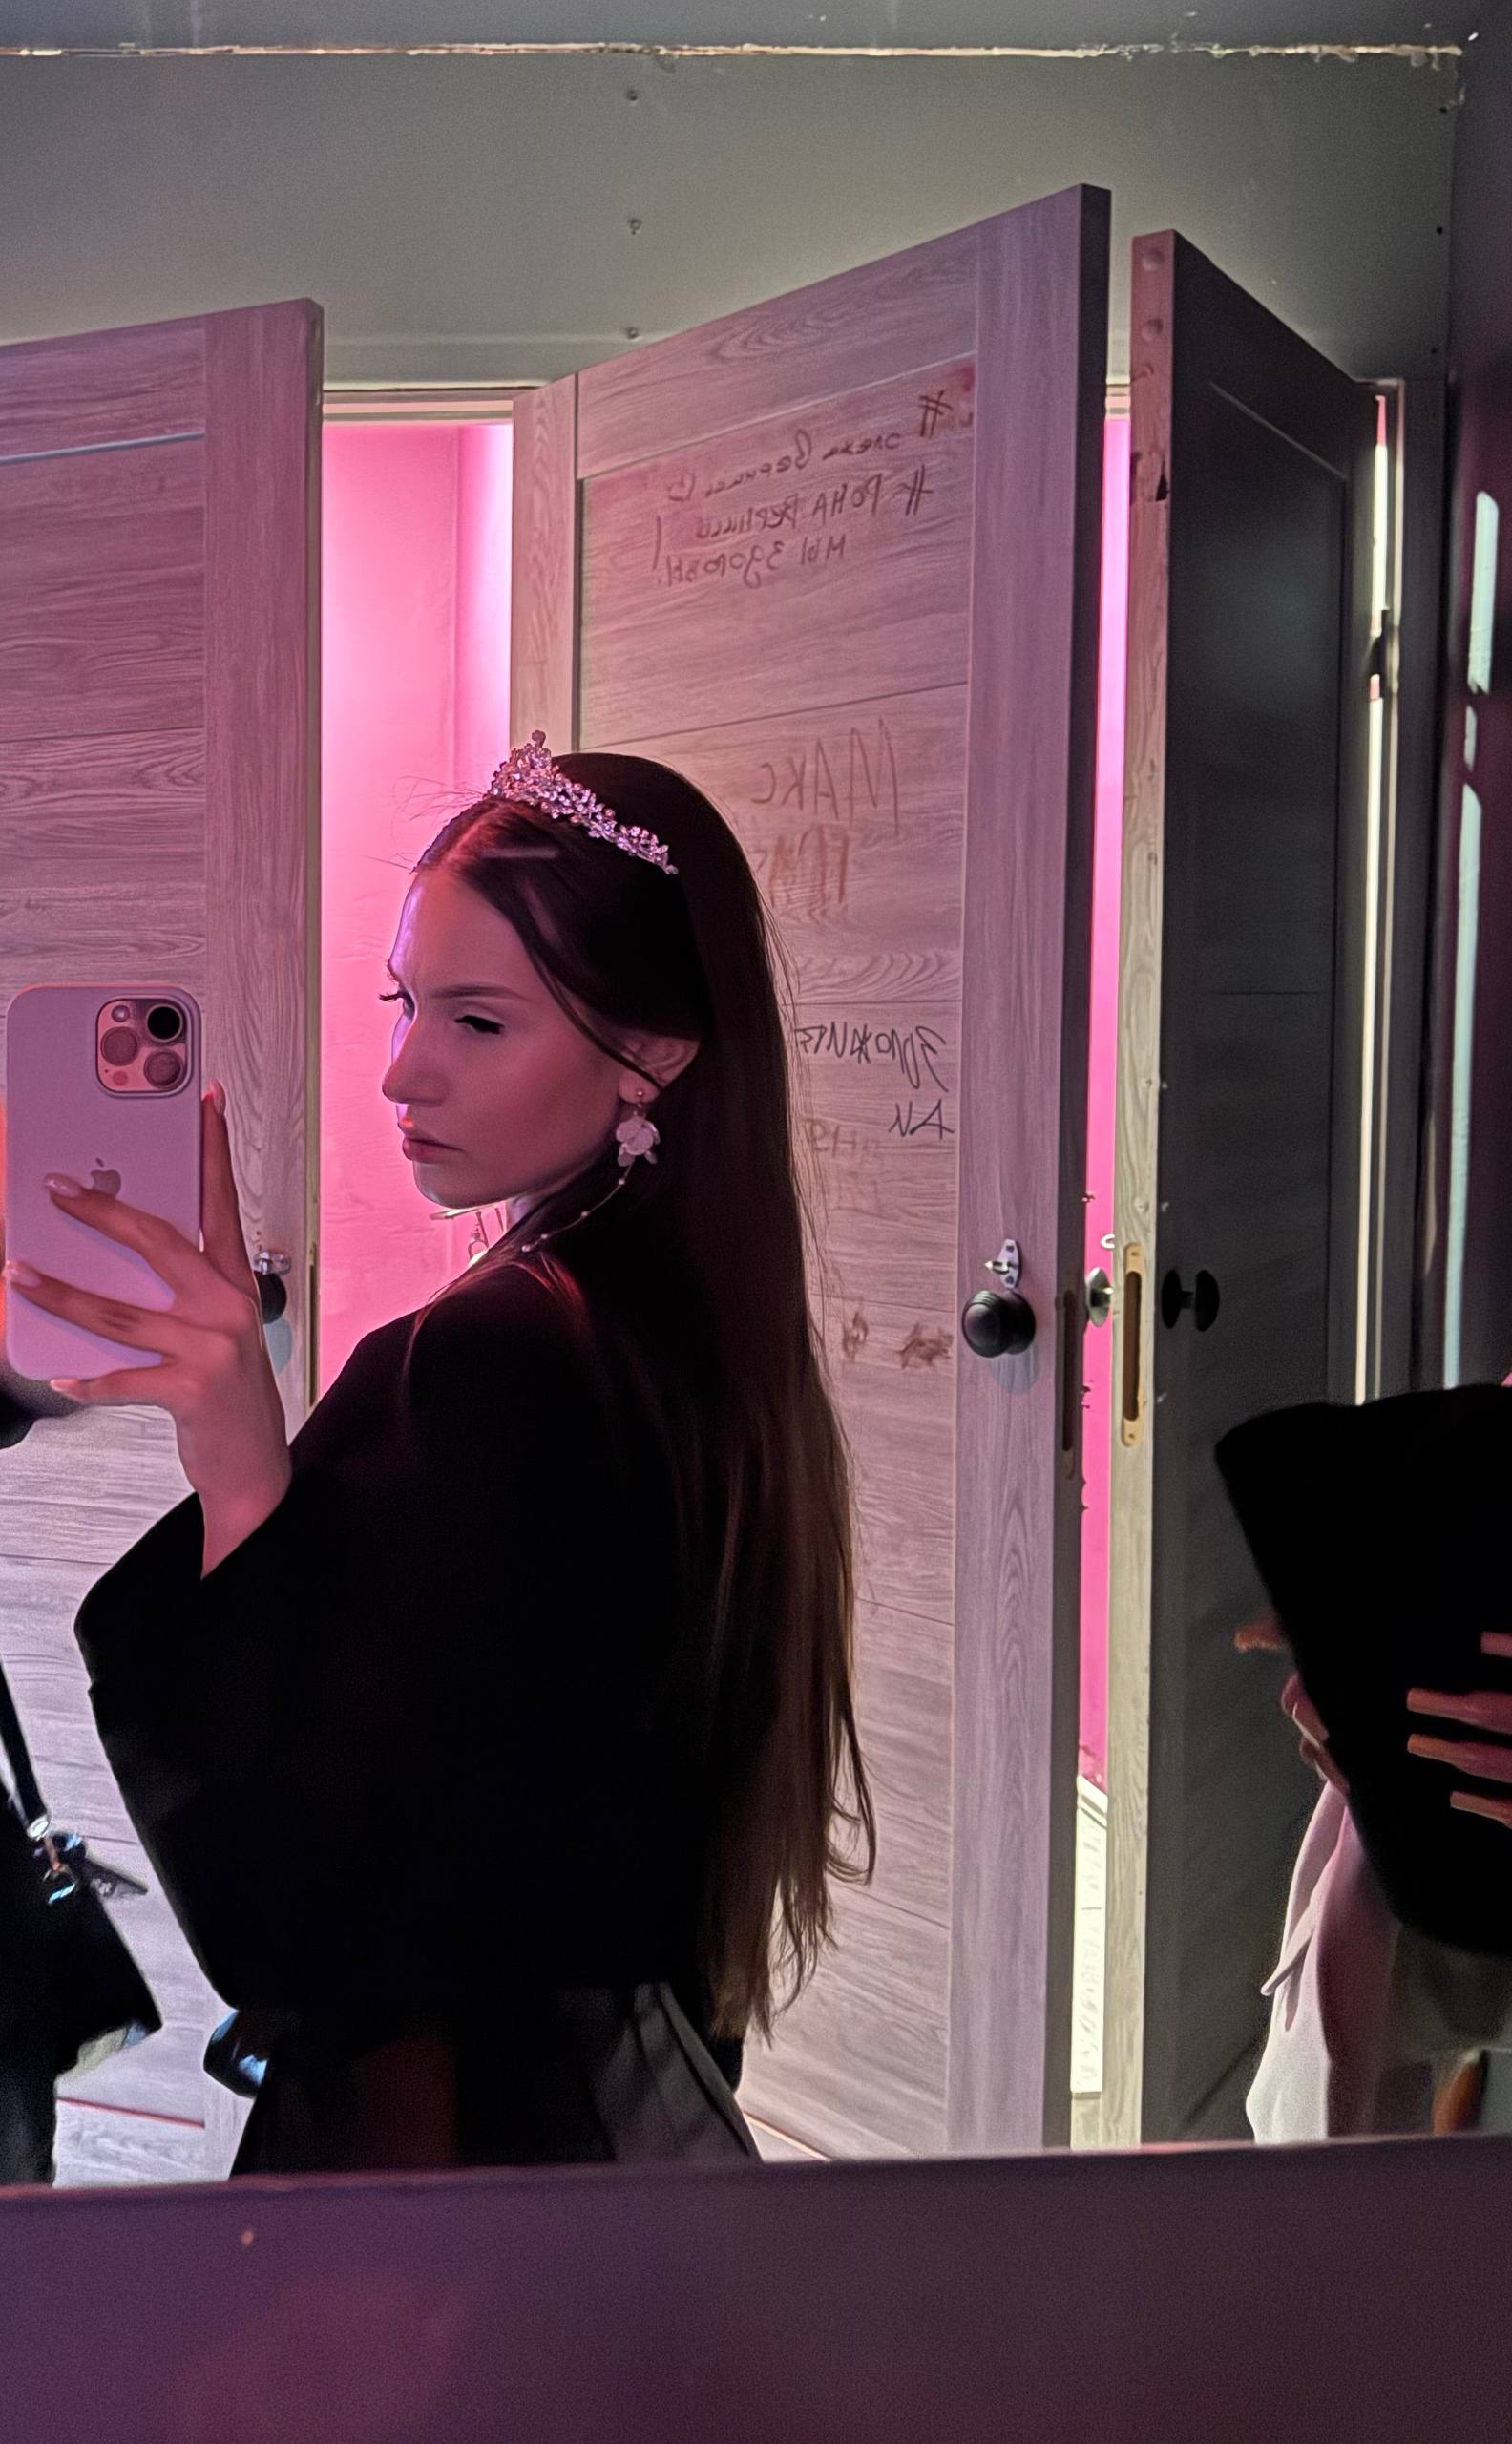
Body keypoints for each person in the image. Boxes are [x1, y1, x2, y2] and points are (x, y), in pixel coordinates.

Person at [1, 735, 875, 2175]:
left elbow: (305, 1916)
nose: (404, 1072)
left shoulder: (497, 1359)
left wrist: (240, 1465)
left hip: (469, 2145)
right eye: (407, 1003)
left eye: (478, 1022)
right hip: (615, 2103)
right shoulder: (689, 1327)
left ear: (654, 1052)